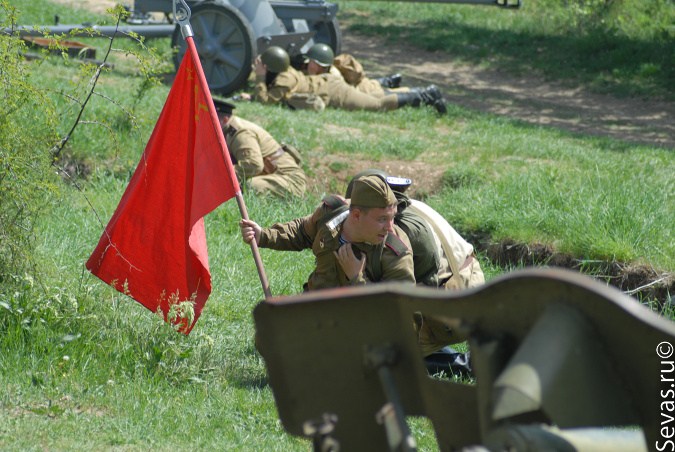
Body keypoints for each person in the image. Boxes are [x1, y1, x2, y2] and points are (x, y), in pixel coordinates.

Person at [345, 169, 485, 376]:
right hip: (460, 283)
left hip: (454, 297)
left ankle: (467, 366)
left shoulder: (403, 232)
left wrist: (357, 278)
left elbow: (402, 300)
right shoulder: (401, 210)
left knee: (376, 356)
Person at [240, 175, 415, 291]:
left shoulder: (395, 253)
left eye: (392, 218)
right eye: (382, 219)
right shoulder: (331, 215)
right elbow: (302, 231)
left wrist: (357, 279)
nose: (390, 227)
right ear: (356, 215)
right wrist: (263, 235)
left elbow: (398, 314)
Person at [252, 46, 446, 115]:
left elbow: (266, 101)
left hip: (333, 90)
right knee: (376, 96)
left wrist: (260, 78)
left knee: (377, 104)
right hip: (329, 85)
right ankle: (420, 92)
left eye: (261, 64)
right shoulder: (286, 74)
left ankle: (426, 95)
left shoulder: (284, 79)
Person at [212, 97, 306, 198]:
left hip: (289, 180)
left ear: (225, 120)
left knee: (252, 186)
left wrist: (222, 178)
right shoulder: (227, 130)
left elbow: (254, 165)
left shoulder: (240, 133)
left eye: (212, 119)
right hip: (270, 175)